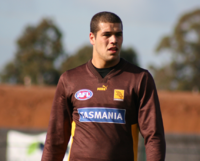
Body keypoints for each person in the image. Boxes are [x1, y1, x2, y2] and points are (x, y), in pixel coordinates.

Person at [41, 11, 166, 161]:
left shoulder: (140, 79)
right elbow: (56, 138)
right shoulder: (69, 79)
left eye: (118, 34)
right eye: (106, 35)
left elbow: (154, 136)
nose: (114, 40)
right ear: (92, 38)